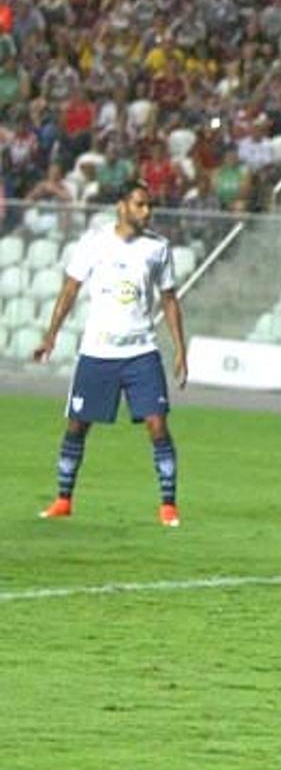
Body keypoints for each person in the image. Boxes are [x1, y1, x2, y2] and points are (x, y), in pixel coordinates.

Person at [32, 181, 188, 526]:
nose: (146, 212)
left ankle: (168, 506)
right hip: (97, 351)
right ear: (122, 206)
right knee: (77, 425)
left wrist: (179, 349)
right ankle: (63, 499)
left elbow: (169, 299)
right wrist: (51, 336)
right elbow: (70, 289)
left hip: (141, 351)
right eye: (140, 205)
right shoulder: (93, 244)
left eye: (149, 206)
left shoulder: (157, 248)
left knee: (157, 425)